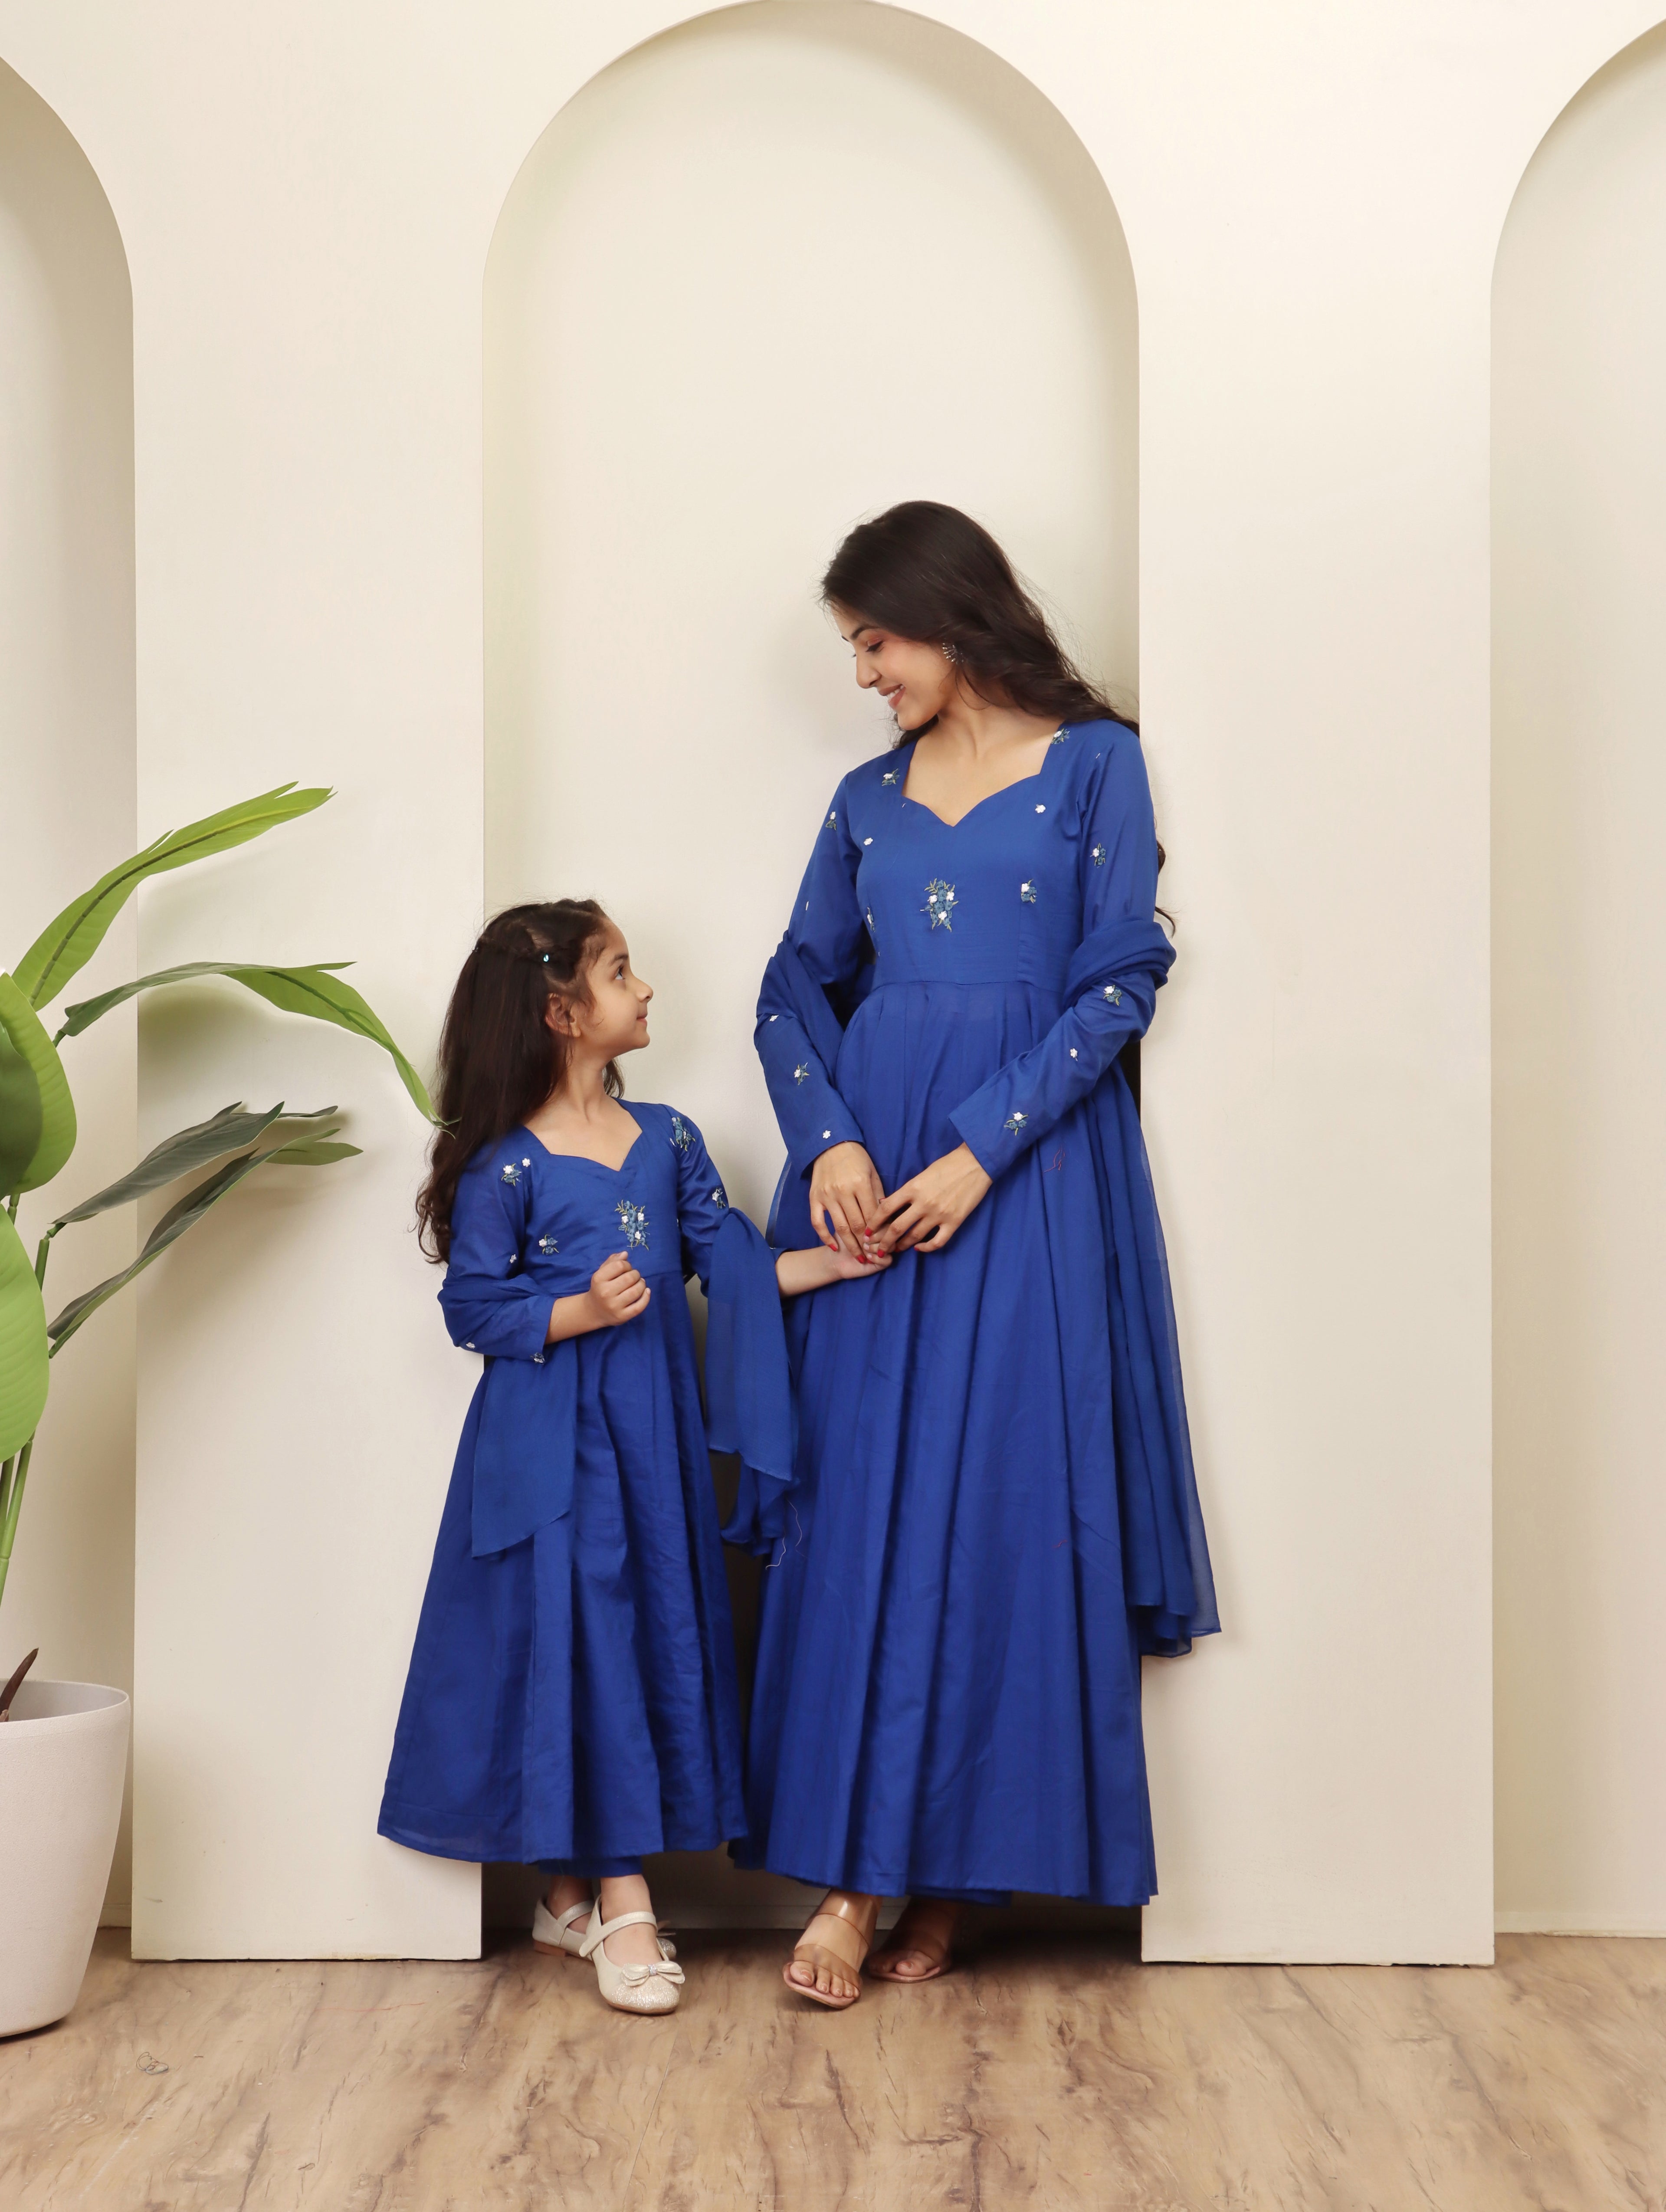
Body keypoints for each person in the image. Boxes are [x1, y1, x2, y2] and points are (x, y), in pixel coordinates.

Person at [733, 502, 1217, 2008]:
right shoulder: (865, 800)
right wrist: (830, 1141)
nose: (864, 673)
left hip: (1027, 1176)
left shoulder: (1096, 763)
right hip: (874, 1188)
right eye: (854, 648)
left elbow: (1120, 977)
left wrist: (980, 1147)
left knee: (999, 1510)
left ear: (947, 614)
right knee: (867, 1511)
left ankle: (928, 1880)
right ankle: (864, 1874)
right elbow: (789, 987)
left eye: (875, 640)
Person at [378, 901, 883, 2015]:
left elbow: (733, 1265)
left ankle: (566, 1896)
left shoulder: (669, 1138)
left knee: (635, 1642)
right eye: (619, 971)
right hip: (549, 1448)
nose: (646, 986)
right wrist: (578, 1310)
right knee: (585, 1645)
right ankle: (625, 1902)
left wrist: (837, 1264)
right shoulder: (506, 1166)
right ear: (562, 1013)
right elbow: (472, 1308)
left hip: (651, 1445)